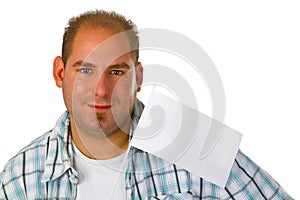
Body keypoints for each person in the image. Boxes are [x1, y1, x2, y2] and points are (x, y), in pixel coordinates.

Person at [0, 10, 293, 200]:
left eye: (116, 71)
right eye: (85, 70)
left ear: (138, 77)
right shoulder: (21, 178)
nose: (101, 90)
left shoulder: (198, 144)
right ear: (60, 74)